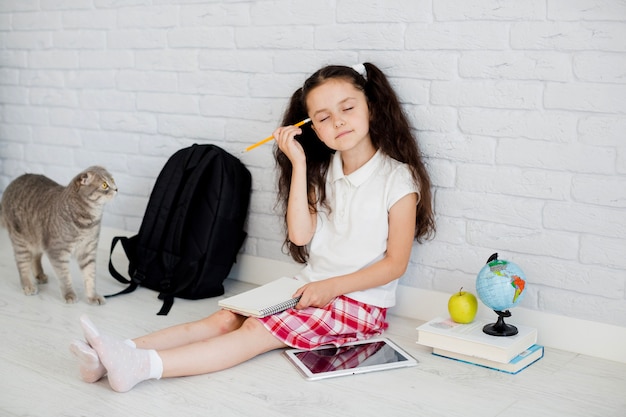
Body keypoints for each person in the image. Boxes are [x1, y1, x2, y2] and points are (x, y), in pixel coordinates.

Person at [69, 62, 435, 393]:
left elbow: (394, 264)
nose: (338, 122)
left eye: (348, 108)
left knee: (256, 330)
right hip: (310, 286)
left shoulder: (397, 179)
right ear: (311, 128)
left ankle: (142, 366)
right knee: (225, 317)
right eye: (322, 117)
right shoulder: (322, 172)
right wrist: (299, 164)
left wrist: (331, 287)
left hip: (361, 304)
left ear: (370, 105)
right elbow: (300, 236)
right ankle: (115, 353)